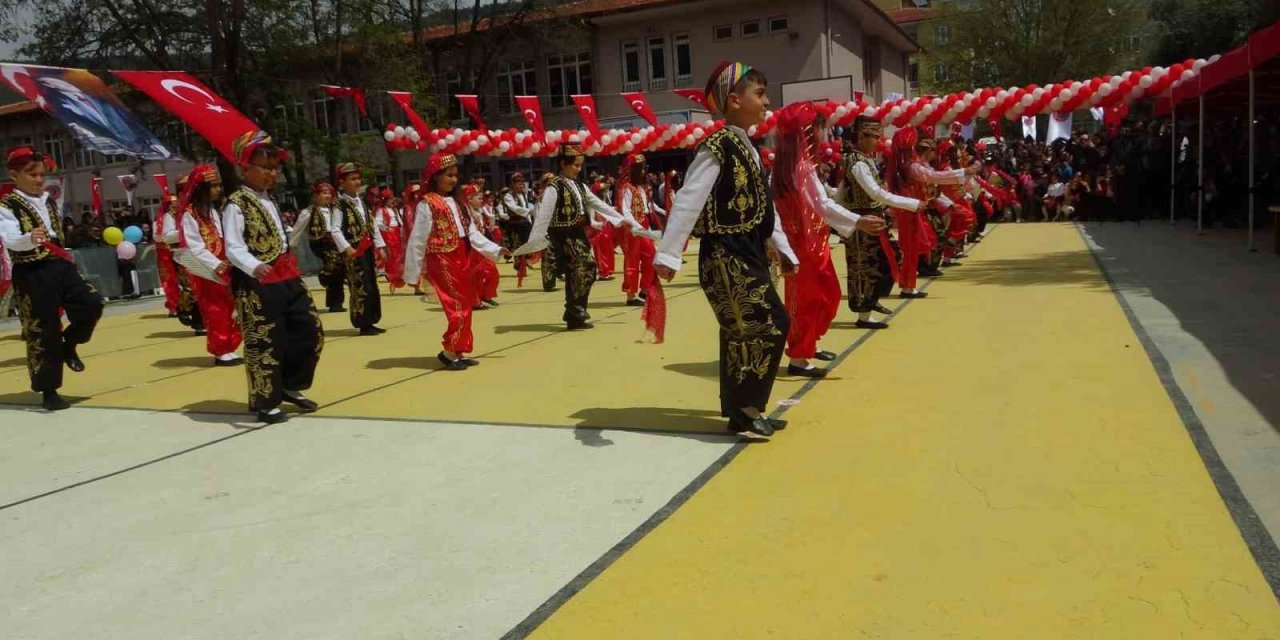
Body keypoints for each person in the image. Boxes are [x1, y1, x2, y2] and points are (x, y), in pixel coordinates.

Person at [654, 61, 798, 440]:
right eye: (760, 94)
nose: (767, 101)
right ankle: (746, 407)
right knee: (769, 323)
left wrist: (783, 249)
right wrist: (668, 254)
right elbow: (689, 199)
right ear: (735, 100)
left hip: (747, 251)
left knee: (741, 332)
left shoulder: (748, 147)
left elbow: (764, 209)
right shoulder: (717, 146)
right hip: (725, 254)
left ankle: (741, 410)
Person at [771, 103, 885, 378]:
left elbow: (819, 202)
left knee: (824, 295)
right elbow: (822, 205)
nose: (824, 134)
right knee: (810, 299)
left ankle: (808, 344)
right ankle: (799, 357)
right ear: (807, 132)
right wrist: (858, 220)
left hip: (811, 242)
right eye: (820, 128)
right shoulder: (799, 168)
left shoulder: (793, 167)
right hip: (803, 246)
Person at [222, 132, 323, 424]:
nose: (272, 173)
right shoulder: (236, 203)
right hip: (257, 282)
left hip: (286, 275)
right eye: (265, 167)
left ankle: (289, 383)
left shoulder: (271, 199)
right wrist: (254, 266)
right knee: (265, 340)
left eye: (275, 167)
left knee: (309, 330)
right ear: (245, 169)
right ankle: (266, 402)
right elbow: (233, 247)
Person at [0, 146, 104, 411]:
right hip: (32, 270)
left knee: (91, 303)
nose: (39, 180)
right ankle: (49, 390)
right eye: (32, 174)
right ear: (14, 175)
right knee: (42, 329)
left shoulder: (48, 200)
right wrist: (28, 238)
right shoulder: (7, 205)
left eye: (41, 175)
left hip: (59, 264)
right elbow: (9, 238)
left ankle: (70, 343)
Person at [513, 142, 640, 330]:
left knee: (586, 269)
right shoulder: (554, 186)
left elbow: (597, 203)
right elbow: (544, 214)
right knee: (582, 266)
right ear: (563, 163)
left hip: (578, 232)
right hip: (562, 233)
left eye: (580, 165)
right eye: (575, 165)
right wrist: (536, 240)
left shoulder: (580, 185)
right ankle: (574, 311)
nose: (579, 169)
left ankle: (575, 311)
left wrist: (620, 219)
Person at [403, 154, 508, 370]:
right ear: (435, 176)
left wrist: (495, 249)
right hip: (442, 258)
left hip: (463, 254)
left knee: (466, 303)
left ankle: (458, 350)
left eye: (455, 175)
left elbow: (472, 233)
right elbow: (418, 239)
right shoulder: (427, 204)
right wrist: (412, 272)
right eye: (448, 175)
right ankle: (449, 352)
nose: (453, 180)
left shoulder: (459, 202)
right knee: (457, 305)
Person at [886, 128, 978, 299]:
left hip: (911, 211)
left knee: (913, 248)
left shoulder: (904, 167)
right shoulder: (912, 167)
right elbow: (935, 177)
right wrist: (964, 172)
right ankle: (907, 286)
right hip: (911, 211)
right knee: (911, 249)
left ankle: (908, 284)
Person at [175, 164, 243, 366]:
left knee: (230, 305)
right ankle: (220, 349)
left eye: (218, 185)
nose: (218, 189)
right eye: (213, 186)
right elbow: (194, 246)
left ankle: (230, 345)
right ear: (201, 188)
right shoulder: (189, 214)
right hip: (207, 267)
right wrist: (215, 263)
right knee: (215, 308)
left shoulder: (212, 210)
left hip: (224, 263)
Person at [332, 162, 385, 335]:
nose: (357, 182)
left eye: (358, 178)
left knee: (371, 283)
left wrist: (380, 246)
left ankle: (372, 318)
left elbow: (372, 225)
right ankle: (363, 322)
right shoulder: (339, 204)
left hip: (367, 249)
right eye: (352, 179)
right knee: (360, 285)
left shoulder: (361, 202)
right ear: (342, 183)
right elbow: (335, 229)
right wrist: (347, 248)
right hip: (354, 251)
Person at [615, 153, 664, 306]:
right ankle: (630, 296)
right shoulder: (625, 189)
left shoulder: (640, 188)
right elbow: (625, 211)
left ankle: (644, 289)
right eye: (640, 169)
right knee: (632, 261)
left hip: (642, 227)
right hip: (632, 229)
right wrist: (637, 227)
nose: (643, 172)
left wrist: (647, 230)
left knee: (651, 256)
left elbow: (646, 211)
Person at [304, 182, 345, 312]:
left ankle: (336, 304)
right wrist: (290, 245)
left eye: (329, 193)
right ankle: (324, 275)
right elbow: (298, 228)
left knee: (338, 271)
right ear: (316, 195)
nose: (327, 195)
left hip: (335, 240)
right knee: (333, 263)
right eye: (324, 193)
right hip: (320, 241)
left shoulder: (334, 209)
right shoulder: (309, 211)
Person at [461, 183, 501, 308]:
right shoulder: (465, 215)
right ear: (469, 199)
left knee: (491, 271)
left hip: (481, 248)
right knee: (474, 275)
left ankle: (485, 295)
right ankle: (475, 300)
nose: (481, 201)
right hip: (471, 250)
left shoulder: (477, 212)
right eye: (478, 198)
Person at [376, 186, 407, 293]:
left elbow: (400, 222)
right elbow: (378, 223)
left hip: (397, 234)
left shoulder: (394, 210)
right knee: (392, 256)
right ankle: (391, 277)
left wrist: (402, 229)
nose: (392, 201)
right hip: (389, 235)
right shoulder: (381, 210)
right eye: (390, 199)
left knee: (399, 256)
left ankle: (398, 277)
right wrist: (386, 228)